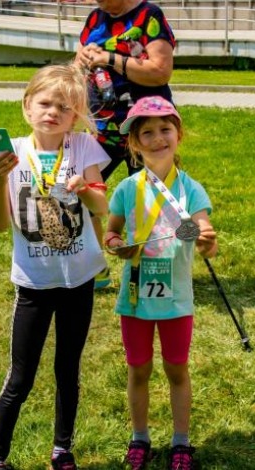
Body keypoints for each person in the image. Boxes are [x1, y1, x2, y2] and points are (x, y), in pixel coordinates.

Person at [0, 64, 110, 470]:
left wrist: (86, 189)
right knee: (20, 377)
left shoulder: (84, 147)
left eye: (65, 106)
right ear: (27, 107)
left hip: (79, 280)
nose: (53, 112)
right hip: (34, 283)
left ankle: (62, 450)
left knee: (67, 370)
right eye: (45, 103)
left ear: (75, 116)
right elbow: (0, 223)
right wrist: (0, 181)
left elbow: (102, 205)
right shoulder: (9, 154)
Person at [103, 96, 217, 470]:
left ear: (178, 135)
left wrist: (207, 239)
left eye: (165, 130)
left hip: (177, 299)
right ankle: (140, 437)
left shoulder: (191, 189)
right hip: (135, 297)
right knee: (138, 369)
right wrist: (116, 244)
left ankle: (181, 442)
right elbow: (112, 232)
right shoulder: (126, 189)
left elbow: (205, 234)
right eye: (147, 133)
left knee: (176, 369)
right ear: (135, 143)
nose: (157, 139)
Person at [76, 0, 177, 289]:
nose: (97, 2)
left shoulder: (149, 16)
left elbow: (160, 71)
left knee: (149, 204)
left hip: (144, 131)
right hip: (102, 132)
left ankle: (150, 269)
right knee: (79, 194)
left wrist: (109, 58)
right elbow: (78, 63)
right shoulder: (95, 17)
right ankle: (96, 267)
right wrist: (83, 59)